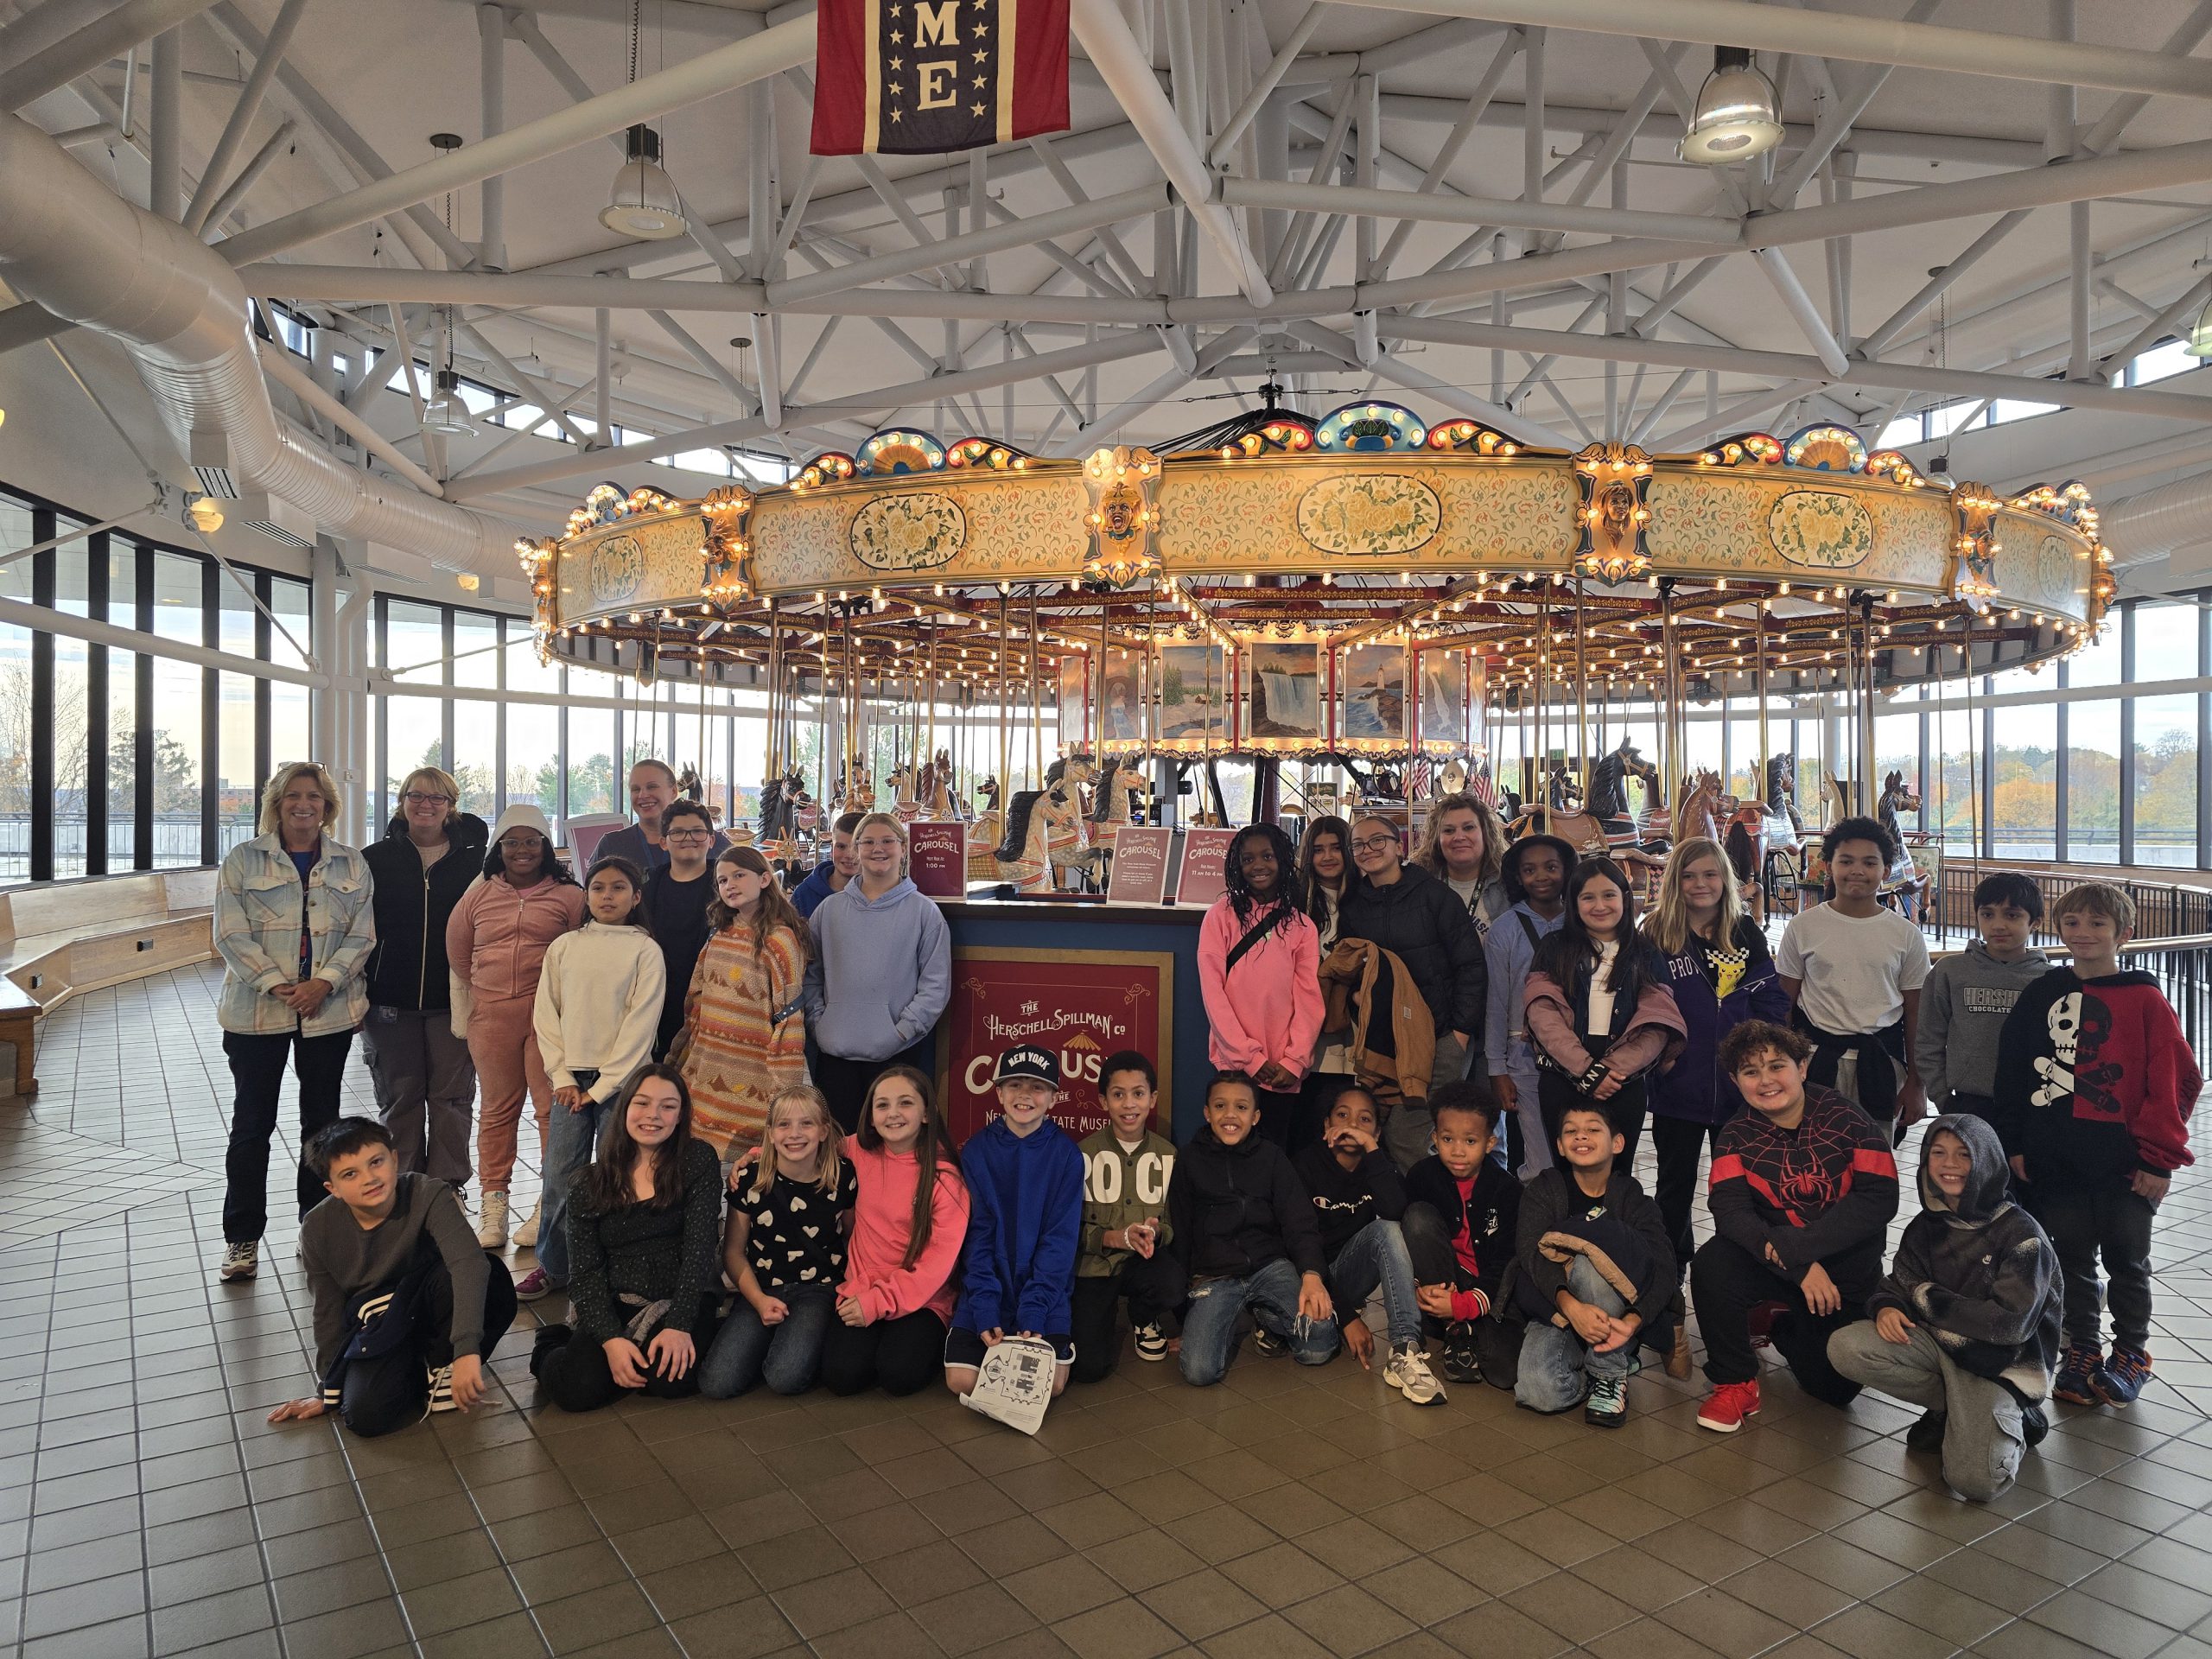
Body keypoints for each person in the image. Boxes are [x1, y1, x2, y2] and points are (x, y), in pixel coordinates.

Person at [1992, 881, 2198, 1408]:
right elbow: (2013, 1072)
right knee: (2072, 1260)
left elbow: (2174, 1080)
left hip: (2125, 1161)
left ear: (2123, 934)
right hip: (2054, 1155)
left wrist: (2160, 1158)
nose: (2083, 934)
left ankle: (2131, 1352)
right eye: (2073, 923)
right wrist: (2015, 1143)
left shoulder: (2146, 1000)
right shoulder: (2042, 993)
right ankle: (2082, 1348)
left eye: (2097, 924)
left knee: (2128, 1261)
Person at [1827, 1115, 2060, 1502]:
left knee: (1976, 1485)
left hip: (1998, 1364)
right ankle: (1955, 1410)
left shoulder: (2022, 1234)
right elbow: (1897, 1283)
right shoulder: (1927, 1225)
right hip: (1941, 1346)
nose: (1949, 1164)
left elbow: (2007, 1326)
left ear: (1987, 1160)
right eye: (1938, 1152)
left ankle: (2019, 1416)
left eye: (1964, 1154)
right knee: (1845, 1347)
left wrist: (1923, 1297)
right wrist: (1886, 1306)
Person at [1692, 1020, 1900, 1433]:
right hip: (1780, 1264)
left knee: (1833, 1390)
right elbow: (1732, 1213)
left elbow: (1880, 1198)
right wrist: (1800, 1265)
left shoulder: (1848, 1118)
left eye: (1777, 1066)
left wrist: (1801, 1250)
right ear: (1736, 1081)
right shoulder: (1733, 1137)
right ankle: (1736, 1381)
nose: (1766, 1080)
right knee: (1713, 1263)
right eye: (1751, 1072)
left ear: (1802, 1067)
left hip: (1844, 1270)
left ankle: (1779, 1324)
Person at [213, 761, 376, 1285]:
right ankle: (242, 1239)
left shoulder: (352, 865)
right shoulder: (243, 861)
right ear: (277, 804)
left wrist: (323, 983)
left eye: (313, 797)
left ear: (328, 806)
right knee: (252, 1126)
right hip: (256, 1014)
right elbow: (230, 934)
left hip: (326, 1013)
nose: (303, 806)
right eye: (292, 797)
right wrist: (277, 985)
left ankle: (316, 1230)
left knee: (322, 1130)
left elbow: (362, 936)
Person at [266, 1118, 516, 1436]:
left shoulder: (428, 1193)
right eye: (350, 1174)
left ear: (394, 1159)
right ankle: (416, 1366)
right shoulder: (317, 1228)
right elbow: (327, 1310)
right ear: (333, 1188)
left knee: (490, 1276)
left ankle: (444, 1363)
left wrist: (467, 1349)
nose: (370, 1179)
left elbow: (468, 1263)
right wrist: (326, 1390)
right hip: (379, 1324)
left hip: (431, 1299)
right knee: (365, 1416)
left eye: (376, 1162)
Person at [529, 1067, 724, 1412]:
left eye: (667, 1106)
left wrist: (679, 1325)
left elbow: (699, 1251)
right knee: (577, 1392)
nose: (653, 1116)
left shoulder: (697, 1161)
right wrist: (609, 1339)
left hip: (681, 1295)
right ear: (624, 1110)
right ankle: (552, 1343)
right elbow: (586, 1273)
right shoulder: (590, 1184)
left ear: (681, 1116)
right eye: (643, 1103)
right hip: (617, 1296)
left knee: (670, 1380)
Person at [520, 855, 664, 1302]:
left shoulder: (644, 950)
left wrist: (601, 1088)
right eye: (598, 887)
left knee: (620, 1173)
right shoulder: (564, 947)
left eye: (619, 888)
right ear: (586, 894)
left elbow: (641, 1024)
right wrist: (562, 1076)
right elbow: (547, 1015)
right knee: (561, 1174)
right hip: (569, 1081)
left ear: (636, 897)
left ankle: (616, 1265)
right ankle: (556, 1265)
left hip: (623, 1082)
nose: (607, 896)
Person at [1643, 838, 1790, 1274]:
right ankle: (1669, 1285)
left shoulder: (1744, 933)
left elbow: (1772, 1004)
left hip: (1739, 1091)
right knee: (1673, 1188)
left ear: (1724, 879)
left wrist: (1766, 1060)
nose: (1699, 884)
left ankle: (1741, 1280)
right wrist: (1661, 1056)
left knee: (1743, 1189)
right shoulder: (1656, 934)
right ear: (1675, 882)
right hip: (1677, 1087)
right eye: (1688, 876)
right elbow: (1640, 1006)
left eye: (1709, 874)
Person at [446, 804, 585, 1253]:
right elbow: (458, 953)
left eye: (531, 841)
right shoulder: (480, 894)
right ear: (498, 848)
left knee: (551, 1110)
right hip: (492, 1016)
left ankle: (548, 1204)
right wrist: (488, 992)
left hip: (549, 1020)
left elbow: (586, 952)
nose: (521, 850)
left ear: (546, 847)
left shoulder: (569, 896)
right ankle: (494, 1204)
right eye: (512, 842)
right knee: (497, 1109)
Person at [1336, 812, 1488, 1169]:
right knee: (1387, 1127)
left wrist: (1459, 1035)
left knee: (1410, 1131)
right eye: (1358, 844)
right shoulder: (1355, 904)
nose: (1368, 849)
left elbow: (1470, 965)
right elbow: (1353, 963)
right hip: (1384, 1040)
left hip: (1437, 1036)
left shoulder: (1435, 896)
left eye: (1377, 841)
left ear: (1398, 846)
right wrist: (1358, 1001)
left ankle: (1421, 1217)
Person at [360, 766, 486, 1194]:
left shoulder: (476, 862)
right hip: (389, 1000)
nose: (426, 805)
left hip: (453, 998)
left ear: (451, 806)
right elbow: (356, 928)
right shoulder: (374, 859)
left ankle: (447, 1186)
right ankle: (407, 1187)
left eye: (437, 798)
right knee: (400, 1100)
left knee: (451, 1099)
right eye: (416, 796)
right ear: (402, 801)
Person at [1511, 1103, 1675, 1427]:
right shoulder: (1543, 1191)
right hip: (1557, 1308)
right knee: (1539, 1392)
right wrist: (1572, 1308)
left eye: (1593, 1129)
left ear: (1617, 1143)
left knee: (1591, 1258)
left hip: (1613, 1314)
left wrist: (1632, 1322)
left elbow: (1664, 1264)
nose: (1581, 1135)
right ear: (1559, 1145)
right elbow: (1530, 1255)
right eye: (1570, 1130)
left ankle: (1610, 1375)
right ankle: (1597, 1365)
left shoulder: (1632, 1198)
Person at [1170, 1071, 1335, 1385]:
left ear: (1256, 1116)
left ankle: (1266, 1317)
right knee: (1199, 1371)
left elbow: (1299, 1221)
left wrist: (1312, 1275)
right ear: (1207, 1113)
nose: (1230, 1115)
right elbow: (1181, 1228)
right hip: (1214, 1275)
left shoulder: (1272, 1157)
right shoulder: (1190, 1159)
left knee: (1319, 1344)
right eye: (1220, 1106)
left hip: (1269, 1266)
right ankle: (1228, 1315)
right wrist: (1185, 1314)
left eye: (1241, 1108)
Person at [1775, 816, 1932, 1141]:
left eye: (1869, 862)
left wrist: (1917, 1083)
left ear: (1886, 871)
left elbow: (1917, 1012)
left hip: (1881, 1064)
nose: (1857, 870)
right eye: (1846, 861)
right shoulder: (1804, 927)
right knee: (1814, 1160)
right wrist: (1782, 1066)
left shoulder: (1906, 935)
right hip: (1815, 1060)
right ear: (1829, 865)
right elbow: (1784, 1005)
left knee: (1874, 1165)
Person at [1522, 856, 1685, 1165]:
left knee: (1618, 1171)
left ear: (1625, 897)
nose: (1600, 905)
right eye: (1588, 897)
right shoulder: (1553, 948)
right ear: (1574, 903)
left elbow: (1657, 1022)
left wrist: (1610, 1071)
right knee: (1567, 1171)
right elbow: (1543, 1015)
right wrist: (1585, 1070)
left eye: (1609, 895)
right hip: (1563, 1074)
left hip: (1622, 1080)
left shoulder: (1645, 952)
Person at [1290, 1087, 1446, 1405]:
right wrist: (1348, 1317)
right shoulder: (1303, 1166)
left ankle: (1404, 1348)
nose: (1351, 1125)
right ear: (1326, 1125)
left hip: (1346, 1274)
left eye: (1364, 1120)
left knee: (1386, 1231)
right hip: (1306, 1277)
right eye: (1342, 1115)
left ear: (1376, 1131)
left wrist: (1374, 1151)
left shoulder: (1377, 1164)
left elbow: (1395, 1211)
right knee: (1315, 1352)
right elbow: (1297, 1247)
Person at [698, 1084, 856, 1399]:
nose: (794, 1133)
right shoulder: (750, 1180)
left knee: (785, 1378)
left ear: (824, 1131)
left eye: (806, 1123)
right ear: (770, 1133)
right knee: (717, 1383)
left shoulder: (841, 1176)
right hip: (762, 1285)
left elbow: (853, 1239)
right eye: (784, 1124)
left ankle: (799, 1341)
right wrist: (757, 1299)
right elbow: (732, 1251)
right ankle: (759, 1339)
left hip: (819, 1289)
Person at [821, 1065, 970, 1396]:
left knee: (900, 1375)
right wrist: (759, 1155)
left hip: (923, 1297)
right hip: (862, 1285)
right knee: (842, 1376)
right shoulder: (857, 1151)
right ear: (871, 1116)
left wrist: (879, 1303)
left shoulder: (945, 1177)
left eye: (905, 1103)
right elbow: (804, 1148)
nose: (893, 1114)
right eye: (882, 1105)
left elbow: (936, 1265)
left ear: (927, 1114)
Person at [947, 1046, 1086, 1398]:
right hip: (987, 1286)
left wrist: (1034, 1311)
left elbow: (1060, 1240)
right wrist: (985, 1307)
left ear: (1053, 1098)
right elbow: (976, 1236)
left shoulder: (1067, 1155)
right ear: (998, 1093)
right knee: (960, 1382)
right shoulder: (977, 1150)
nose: (1024, 1095)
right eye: (1014, 1084)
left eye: (1037, 1086)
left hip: (1044, 1293)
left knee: (1051, 1386)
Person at [802, 813, 951, 1133]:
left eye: (887, 840)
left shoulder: (925, 913)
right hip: (835, 1053)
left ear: (903, 848)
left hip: (896, 1053)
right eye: (867, 841)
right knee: (838, 1145)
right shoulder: (828, 911)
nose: (877, 848)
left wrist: (902, 1031)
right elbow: (811, 975)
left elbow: (935, 986)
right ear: (856, 849)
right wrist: (818, 1023)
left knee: (892, 1144)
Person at [670, 844, 810, 1159]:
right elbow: (697, 1001)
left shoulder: (781, 939)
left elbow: (789, 1017)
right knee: (699, 1160)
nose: (729, 885)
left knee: (746, 1170)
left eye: (738, 875)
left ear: (763, 880)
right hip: (708, 1068)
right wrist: (682, 1056)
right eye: (721, 881)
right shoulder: (719, 934)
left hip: (755, 1073)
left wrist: (784, 1089)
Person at [1197, 823, 1324, 1149]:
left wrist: (1294, 1061)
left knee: (1273, 1156)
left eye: (1267, 856)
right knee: (1229, 1152)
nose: (1258, 866)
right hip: (1233, 1065)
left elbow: (1309, 1001)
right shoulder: (1219, 917)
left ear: (1282, 859)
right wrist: (1248, 1058)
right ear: (1237, 866)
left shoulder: (1302, 926)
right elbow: (1214, 995)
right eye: (1248, 859)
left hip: (1282, 1071)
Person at [1402, 1082, 1523, 1388]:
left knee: (1504, 1375)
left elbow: (1508, 1260)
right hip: (1442, 1276)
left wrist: (1467, 1303)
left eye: (1470, 1140)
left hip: (1485, 1289)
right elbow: (1413, 1239)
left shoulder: (1506, 1189)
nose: (1457, 1150)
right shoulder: (1422, 1176)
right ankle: (1455, 1330)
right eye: (1447, 1139)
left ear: (1490, 1143)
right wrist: (1421, 1286)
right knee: (1417, 1217)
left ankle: (1466, 1325)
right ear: (1434, 1138)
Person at [1071, 1052, 1183, 1382]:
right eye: (1118, 1095)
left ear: (1153, 1099)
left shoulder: (1169, 1155)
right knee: (1089, 1369)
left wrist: (1157, 1232)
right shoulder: (1081, 1154)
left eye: (1138, 1093)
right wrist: (1110, 1237)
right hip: (1094, 1268)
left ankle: (1143, 1317)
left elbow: (1175, 1225)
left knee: (1172, 1283)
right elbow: (1065, 1229)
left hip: (1143, 1264)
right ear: (1103, 1101)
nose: (1129, 1104)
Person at [1916, 872, 2050, 1122]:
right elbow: (1928, 1040)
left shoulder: (2048, 980)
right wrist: (1943, 1098)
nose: (1998, 925)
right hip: (1968, 1101)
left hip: (2033, 1104)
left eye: (2012, 915)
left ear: (2036, 922)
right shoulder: (1951, 971)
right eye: (1987, 914)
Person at [1484, 835, 1573, 1176]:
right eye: (1530, 870)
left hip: (1576, 1052)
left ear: (1565, 871)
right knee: (1539, 1160)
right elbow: (1496, 1001)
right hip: (1523, 1054)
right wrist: (1497, 1067)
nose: (1542, 877)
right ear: (1518, 877)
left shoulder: (1579, 922)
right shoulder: (1505, 929)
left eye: (1551, 868)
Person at [1295, 815, 1357, 1148]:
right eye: (1318, 850)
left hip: (1356, 1028)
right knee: (1314, 1118)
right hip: (1312, 1037)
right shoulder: (1299, 901)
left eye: (1335, 848)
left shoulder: (1364, 896)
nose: (1328, 856)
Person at [640, 799, 720, 1061]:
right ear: (663, 841)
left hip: (710, 1001)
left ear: (711, 840)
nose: (689, 838)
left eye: (697, 831)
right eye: (677, 832)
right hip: (658, 1000)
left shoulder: (728, 887)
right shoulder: (646, 889)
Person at [596, 759, 728, 874]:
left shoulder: (713, 844)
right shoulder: (612, 845)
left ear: (674, 791)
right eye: (635, 789)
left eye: (652, 787)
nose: (643, 795)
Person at [1411, 791, 1510, 937]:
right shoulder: (1419, 886)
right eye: (1449, 830)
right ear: (1437, 839)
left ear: (1485, 832)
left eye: (1468, 828)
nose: (1459, 837)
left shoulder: (1509, 885)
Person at [790, 811, 862, 919]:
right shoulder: (804, 894)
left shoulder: (879, 894)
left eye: (857, 847)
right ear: (832, 848)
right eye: (841, 847)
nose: (850, 855)